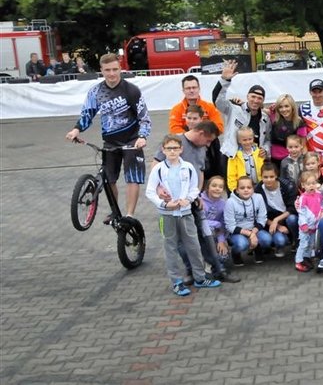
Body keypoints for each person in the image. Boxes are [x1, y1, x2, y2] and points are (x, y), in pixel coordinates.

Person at [66, 53, 151, 220]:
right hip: (110, 141)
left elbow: (144, 117)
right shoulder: (96, 91)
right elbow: (87, 113)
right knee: (109, 179)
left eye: (114, 69)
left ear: (120, 69)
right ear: (101, 70)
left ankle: (129, 215)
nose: (111, 74)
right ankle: (115, 211)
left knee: (132, 178)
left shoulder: (131, 90)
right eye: (107, 70)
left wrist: (143, 136)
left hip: (132, 140)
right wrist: (76, 130)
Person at [145, 134, 221, 295]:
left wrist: (189, 199)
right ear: (163, 150)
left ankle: (200, 278)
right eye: (169, 148)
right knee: (171, 248)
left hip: (186, 214)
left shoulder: (188, 167)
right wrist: (164, 204)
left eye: (175, 148)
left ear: (181, 149)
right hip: (167, 215)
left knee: (193, 246)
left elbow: (194, 188)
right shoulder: (158, 169)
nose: (172, 151)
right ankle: (177, 282)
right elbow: (150, 191)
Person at [214, 60, 271, 171]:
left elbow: (268, 139)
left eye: (259, 98)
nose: (256, 100)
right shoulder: (233, 108)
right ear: (247, 96)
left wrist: (265, 149)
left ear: (263, 100)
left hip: (254, 160)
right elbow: (217, 101)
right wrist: (224, 80)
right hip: (231, 157)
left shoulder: (265, 118)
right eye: (253, 96)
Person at [224, 175, 272, 265]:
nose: (246, 190)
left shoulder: (258, 197)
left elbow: (262, 218)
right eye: (242, 188)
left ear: (253, 189)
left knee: (267, 239)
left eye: (249, 187)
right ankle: (235, 253)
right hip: (237, 232)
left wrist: (253, 233)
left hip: (254, 229)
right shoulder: (230, 202)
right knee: (242, 244)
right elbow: (230, 226)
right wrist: (250, 234)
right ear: (237, 190)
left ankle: (257, 248)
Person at [255, 163, 298, 257]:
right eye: (265, 177)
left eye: (271, 176)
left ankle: (296, 241)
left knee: (292, 219)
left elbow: (292, 208)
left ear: (276, 176)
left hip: (285, 217)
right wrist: (277, 225)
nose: (268, 179)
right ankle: (274, 245)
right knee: (280, 240)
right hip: (269, 222)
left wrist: (276, 220)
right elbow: (258, 214)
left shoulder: (288, 185)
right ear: (261, 177)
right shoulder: (258, 190)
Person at [294, 171, 323, 272]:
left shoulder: (318, 194)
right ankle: (299, 261)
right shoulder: (303, 198)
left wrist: (322, 211)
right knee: (303, 244)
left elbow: (322, 204)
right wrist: (303, 224)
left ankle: (306, 258)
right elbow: (301, 212)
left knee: (311, 244)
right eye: (308, 184)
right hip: (305, 227)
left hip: (315, 225)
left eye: (313, 183)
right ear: (303, 185)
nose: (311, 186)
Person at [268, 94, 306, 166]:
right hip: (273, 160)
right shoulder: (274, 117)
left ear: (292, 107)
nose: (284, 109)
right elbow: (260, 110)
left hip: (290, 161)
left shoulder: (299, 122)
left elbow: (303, 146)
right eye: (280, 107)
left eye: (286, 106)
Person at [227, 127, 265, 192]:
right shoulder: (234, 156)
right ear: (239, 141)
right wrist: (234, 189)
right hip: (243, 189)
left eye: (250, 139)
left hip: (259, 186)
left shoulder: (259, 152)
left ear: (253, 138)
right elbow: (231, 175)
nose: (248, 142)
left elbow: (264, 169)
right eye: (244, 140)